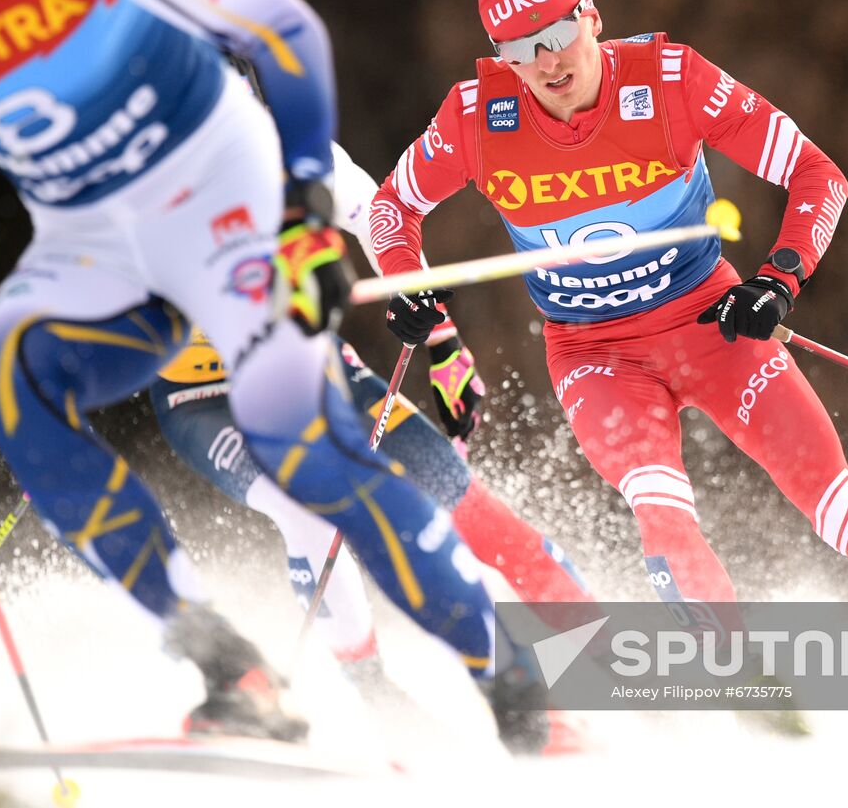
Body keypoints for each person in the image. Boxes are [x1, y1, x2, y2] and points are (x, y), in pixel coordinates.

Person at [0, 0, 554, 750]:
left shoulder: (263, 138)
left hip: (270, 306)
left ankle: (591, 673)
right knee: (262, 483)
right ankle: (263, 676)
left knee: (444, 485)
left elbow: (381, 227)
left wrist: (430, 328)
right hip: (194, 393)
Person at [369, 0, 848, 701]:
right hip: (594, 353)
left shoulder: (672, 80)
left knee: (838, 508)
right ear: (499, 56)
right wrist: (409, 287)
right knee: (661, 509)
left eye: (556, 34)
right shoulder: (477, 117)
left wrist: (780, 278)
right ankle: (748, 698)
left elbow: (818, 173)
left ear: (592, 16)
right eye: (519, 49)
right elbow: (390, 209)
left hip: (711, 325)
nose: (547, 62)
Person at [151, 142, 592, 705]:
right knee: (304, 509)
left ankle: (610, 664)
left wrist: (441, 340)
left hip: (308, 370)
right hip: (205, 398)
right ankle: (378, 697)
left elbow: (381, 219)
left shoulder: (292, 149)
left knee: (460, 498)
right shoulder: (135, 183)